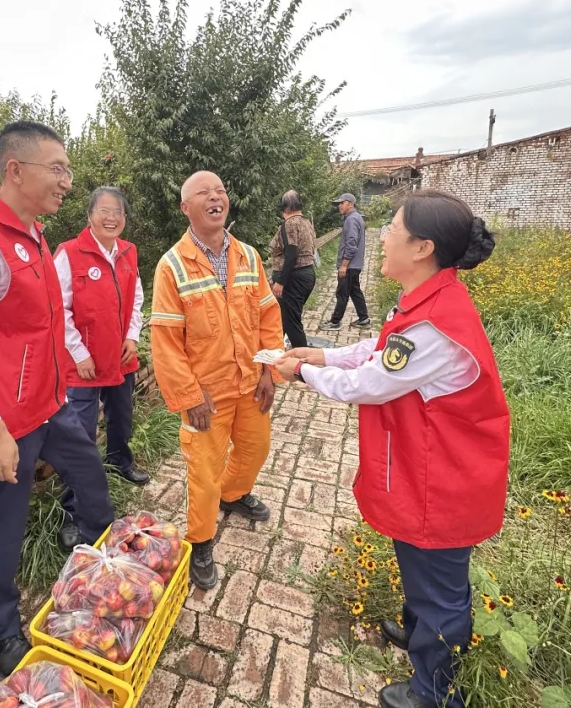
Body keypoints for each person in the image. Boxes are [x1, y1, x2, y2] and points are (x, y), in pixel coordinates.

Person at [274, 190, 510, 708]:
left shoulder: (435, 324)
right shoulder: (425, 300)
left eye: (393, 229)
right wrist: (326, 353)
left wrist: (304, 371)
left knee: (441, 591)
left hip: (446, 479)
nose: (382, 236)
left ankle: (434, 693)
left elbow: (372, 383)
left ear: (423, 247)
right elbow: (382, 350)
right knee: (419, 566)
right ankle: (416, 628)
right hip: (429, 467)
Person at [0, 121, 115, 676]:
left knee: (90, 475)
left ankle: (96, 564)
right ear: (16, 170)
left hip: (49, 402)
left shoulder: (31, 233)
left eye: (67, 169)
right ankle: (2, 631)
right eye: (56, 168)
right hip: (6, 422)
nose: (68, 181)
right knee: (2, 527)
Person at [149, 171, 283, 589]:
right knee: (203, 473)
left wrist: (268, 371)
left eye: (221, 191)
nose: (215, 197)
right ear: (185, 208)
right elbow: (166, 341)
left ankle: (234, 494)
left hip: (249, 384)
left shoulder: (248, 256)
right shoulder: (171, 266)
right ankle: (201, 541)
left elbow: (268, 316)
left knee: (257, 448)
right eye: (203, 193)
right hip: (206, 396)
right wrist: (190, 396)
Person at [53, 187, 150, 486]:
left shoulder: (128, 251)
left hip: (120, 355)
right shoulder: (69, 253)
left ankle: (120, 462)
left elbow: (136, 297)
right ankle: (77, 494)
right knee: (81, 429)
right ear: (89, 216)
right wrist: (79, 353)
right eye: (104, 211)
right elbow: (58, 310)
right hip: (83, 360)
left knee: (121, 417)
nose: (111, 218)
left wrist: (132, 336)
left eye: (117, 212)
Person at [269, 189, 318, 348]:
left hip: (292, 279)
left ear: (284, 207)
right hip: (307, 275)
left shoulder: (290, 224)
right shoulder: (306, 223)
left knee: (292, 323)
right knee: (283, 317)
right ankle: (274, 351)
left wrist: (281, 281)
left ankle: (302, 362)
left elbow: (291, 255)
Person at [320, 192, 370, 329]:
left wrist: (344, 265)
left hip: (349, 265)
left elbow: (352, 244)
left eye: (342, 203)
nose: (339, 206)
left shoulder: (351, 220)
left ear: (351, 204)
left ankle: (335, 322)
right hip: (355, 265)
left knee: (342, 293)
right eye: (339, 204)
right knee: (354, 291)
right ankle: (364, 319)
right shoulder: (355, 217)